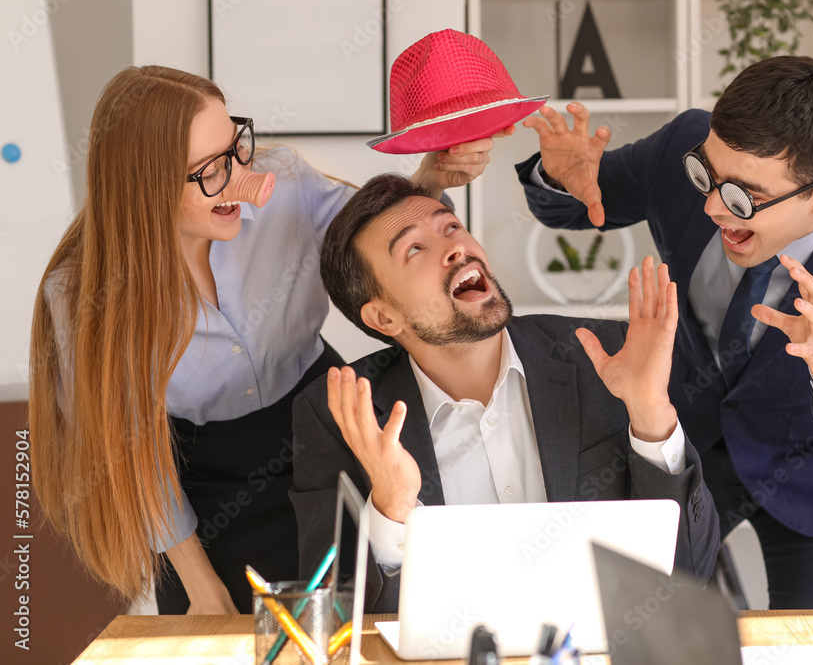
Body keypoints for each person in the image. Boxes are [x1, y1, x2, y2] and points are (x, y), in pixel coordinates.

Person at [29, 65, 499, 614]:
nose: (239, 179)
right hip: (202, 482)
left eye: (236, 149)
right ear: (144, 187)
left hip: (328, 427)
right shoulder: (83, 298)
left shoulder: (288, 185)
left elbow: (376, 252)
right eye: (207, 171)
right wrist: (202, 589)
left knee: (368, 615)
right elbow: (131, 453)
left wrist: (431, 179)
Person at [516, 56, 813, 609]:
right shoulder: (689, 147)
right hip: (685, 447)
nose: (709, 205)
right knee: (627, 623)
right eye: (707, 177)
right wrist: (561, 179)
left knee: (811, 651)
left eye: (741, 198)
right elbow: (583, 207)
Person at [289, 173, 720, 611]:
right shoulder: (338, 417)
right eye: (414, 248)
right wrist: (391, 508)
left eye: (451, 226)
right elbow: (333, 615)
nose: (455, 247)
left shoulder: (604, 357)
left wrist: (651, 416)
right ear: (383, 318)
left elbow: (688, 577)